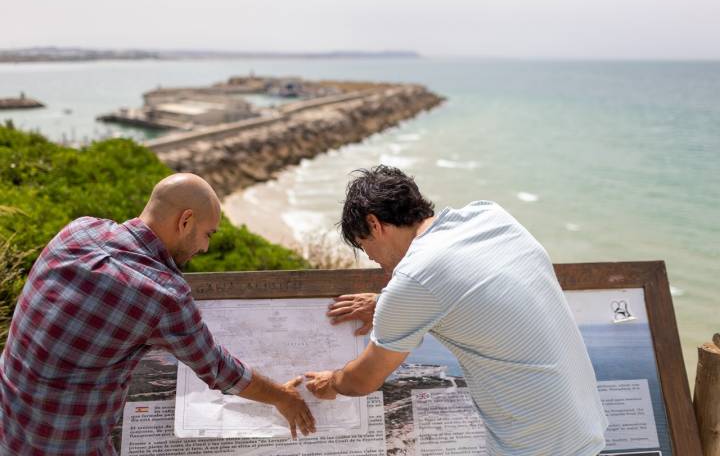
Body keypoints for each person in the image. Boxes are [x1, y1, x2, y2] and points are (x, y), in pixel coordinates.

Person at [0, 173, 315, 455]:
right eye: (209, 234)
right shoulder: (162, 294)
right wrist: (282, 397)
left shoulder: (77, 231)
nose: (205, 248)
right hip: (65, 444)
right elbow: (218, 368)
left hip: (8, 424)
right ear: (186, 221)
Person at [305, 165, 607, 455]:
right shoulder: (491, 216)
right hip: (585, 426)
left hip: (534, 445)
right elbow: (476, 290)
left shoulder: (414, 278)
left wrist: (331, 381)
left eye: (362, 244)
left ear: (374, 224)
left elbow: (364, 379)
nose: (370, 257)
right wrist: (386, 304)